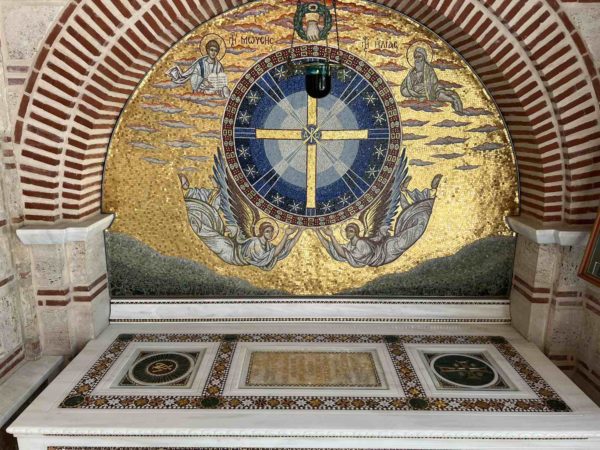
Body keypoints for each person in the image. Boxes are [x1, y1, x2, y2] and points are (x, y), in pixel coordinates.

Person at [401, 47, 463, 113]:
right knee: (404, 92)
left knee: (438, 93)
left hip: (429, 88)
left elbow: (433, 82)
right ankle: (419, 94)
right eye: (415, 57)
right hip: (415, 90)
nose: (417, 59)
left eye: (419, 57)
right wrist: (413, 87)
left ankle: (453, 100)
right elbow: (405, 84)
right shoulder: (412, 71)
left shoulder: (428, 69)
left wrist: (423, 85)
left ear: (424, 58)